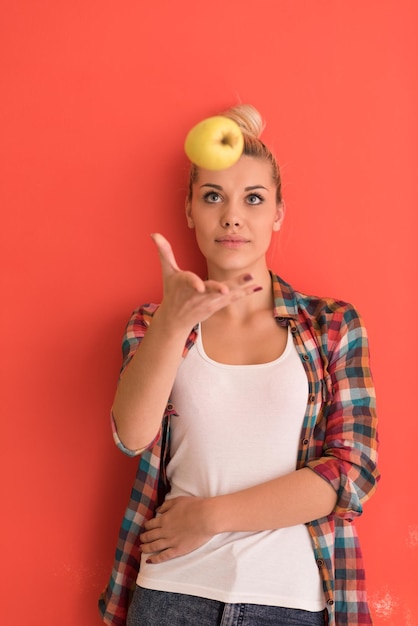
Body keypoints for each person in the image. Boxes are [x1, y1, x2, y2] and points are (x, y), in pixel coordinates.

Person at [99, 104, 379, 626]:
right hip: (171, 595)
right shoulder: (154, 322)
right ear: (189, 211)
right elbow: (130, 435)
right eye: (213, 197)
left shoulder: (332, 326)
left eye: (253, 198)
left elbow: (352, 472)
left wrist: (209, 516)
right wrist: (174, 322)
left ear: (278, 212)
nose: (232, 216)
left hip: (294, 601)